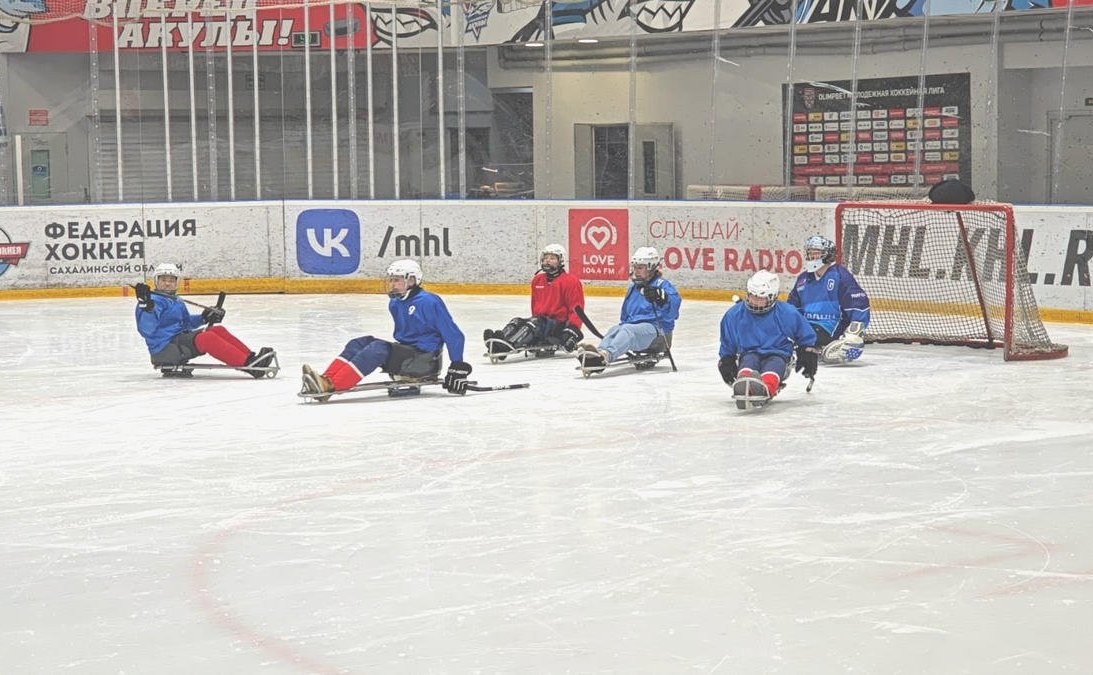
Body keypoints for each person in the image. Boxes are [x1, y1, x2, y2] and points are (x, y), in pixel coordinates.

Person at [300, 259, 472, 397]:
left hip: (424, 362)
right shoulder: (395, 302)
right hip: (408, 356)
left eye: (397, 280)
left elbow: (454, 335)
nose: (392, 284)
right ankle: (327, 379)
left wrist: (457, 366)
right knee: (359, 342)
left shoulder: (429, 302)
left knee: (378, 349)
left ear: (411, 280)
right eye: (391, 280)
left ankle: (334, 385)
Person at [134, 263, 275, 378]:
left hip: (178, 340)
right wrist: (147, 309)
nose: (167, 284)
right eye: (163, 280)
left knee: (217, 330)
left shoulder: (175, 300)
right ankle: (250, 366)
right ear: (156, 281)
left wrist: (204, 317)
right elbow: (147, 330)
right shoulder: (152, 302)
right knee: (207, 339)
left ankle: (250, 358)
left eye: (171, 280)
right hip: (165, 349)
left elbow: (186, 323)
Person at [576, 246, 681, 372]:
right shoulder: (633, 288)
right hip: (637, 330)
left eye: (640, 268)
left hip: (659, 333)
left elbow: (673, 312)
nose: (636, 271)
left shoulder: (662, 285)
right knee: (616, 329)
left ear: (651, 267)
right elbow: (625, 317)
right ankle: (598, 354)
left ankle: (606, 356)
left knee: (627, 329)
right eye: (635, 267)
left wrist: (663, 298)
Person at [718, 270, 818, 401]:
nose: (755, 301)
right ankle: (744, 384)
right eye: (753, 296)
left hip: (778, 354)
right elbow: (727, 341)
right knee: (748, 362)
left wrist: (807, 351)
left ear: (772, 297)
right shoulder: (734, 314)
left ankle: (766, 388)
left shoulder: (787, 313)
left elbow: (805, 335)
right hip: (749, 353)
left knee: (773, 366)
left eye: (761, 298)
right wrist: (726, 359)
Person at [483, 243, 585, 356]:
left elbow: (576, 308)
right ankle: (498, 342)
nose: (547, 261)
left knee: (534, 322)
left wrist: (572, 330)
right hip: (541, 322)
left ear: (560, 261)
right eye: (545, 258)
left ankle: (508, 345)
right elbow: (535, 305)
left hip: (558, 325)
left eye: (552, 258)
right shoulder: (537, 280)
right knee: (516, 321)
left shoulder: (571, 281)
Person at [786, 235, 871, 364]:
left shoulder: (840, 275)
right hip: (807, 326)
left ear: (827, 255)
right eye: (809, 254)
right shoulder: (803, 279)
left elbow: (858, 303)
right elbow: (792, 308)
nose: (811, 257)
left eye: (816, 254)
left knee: (804, 337)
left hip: (830, 327)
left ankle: (805, 349)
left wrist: (854, 332)